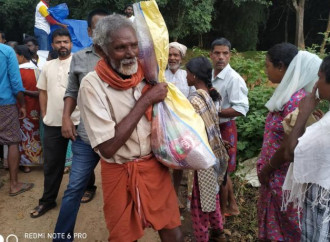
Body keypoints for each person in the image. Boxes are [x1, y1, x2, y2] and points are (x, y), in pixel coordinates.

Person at [77, 14, 182, 242]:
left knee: (173, 229)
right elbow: (107, 148)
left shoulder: (147, 72)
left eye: (134, 45)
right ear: (101, 51)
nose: (131, 53)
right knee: (124, 236)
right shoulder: (91, 86)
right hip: (118, 170)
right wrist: (145, 101)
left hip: (154, 165)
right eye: (120, 48)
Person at [53, 9, 109, 241]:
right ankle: (62, 237)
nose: (104, 32)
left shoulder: (121, 55)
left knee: (122, 190)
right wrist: (66, 118)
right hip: (86, 137)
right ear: (89, 32)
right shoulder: (79, 58)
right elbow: (72, 91)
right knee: (74, 187)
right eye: (98, 28)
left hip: (117, 139)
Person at [257, 43, 321, 241]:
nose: (265, 70)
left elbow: (288, 146)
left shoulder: (296, 100)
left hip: (282, 178)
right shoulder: (288, 96)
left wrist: (267, 168)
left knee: (285, 230)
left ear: (281, 67)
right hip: (274, 177)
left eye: (267, 66)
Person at [275, 56, 330, 241]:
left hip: (322, 202)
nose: (317, 83)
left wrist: (303, 115)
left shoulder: (299, 103)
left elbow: (290, 152)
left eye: (320, 77)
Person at [30, 28, 80, 218]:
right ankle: (47, 201)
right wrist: (44, 113)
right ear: (52, 45)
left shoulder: (79, 63)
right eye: (58, 42)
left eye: (65, 42)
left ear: (71, 44)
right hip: (52, 123)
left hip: (77, 120)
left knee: (83, 160)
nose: (62, 45)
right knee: (52, 164)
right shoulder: (48, 66)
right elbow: (42, 91)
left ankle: (89, 188)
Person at [186, 57, 228, 242]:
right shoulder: (208, 95)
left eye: (187, 72)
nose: (185, 75)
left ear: (194, 76)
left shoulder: (194, 100)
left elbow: (189, 132)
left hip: (201, 159)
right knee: (211, 196)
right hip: (213, 156)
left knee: (199, 203)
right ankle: (218, 231)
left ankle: (202, 237)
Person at [210, 37, 249, 217]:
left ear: (230, 55)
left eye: (225, 53)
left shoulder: (233, 79)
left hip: (225, 128)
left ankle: (223, 212)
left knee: (223, 172)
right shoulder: (211, 75)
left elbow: (241, 108)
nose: (221, 57)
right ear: (211, 55)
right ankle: (232, 206)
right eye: (217, 53)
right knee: (220, 170)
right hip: (213, 128)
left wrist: (213, 112)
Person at [0, 43, 34, 196]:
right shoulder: (6, 51)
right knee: (13, 141)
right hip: (5, 103)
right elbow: (15, 83)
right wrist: (22, 105)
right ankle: (14, 184)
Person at [14, 45, 42, 173]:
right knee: (35, 133)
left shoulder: (17, 71)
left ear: (22, 56)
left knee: (23, 134)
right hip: (36, 107)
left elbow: (16, 91)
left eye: (16, 55)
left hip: (21, 107)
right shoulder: (37, 70)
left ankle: (25, 164)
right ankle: (38, 160)